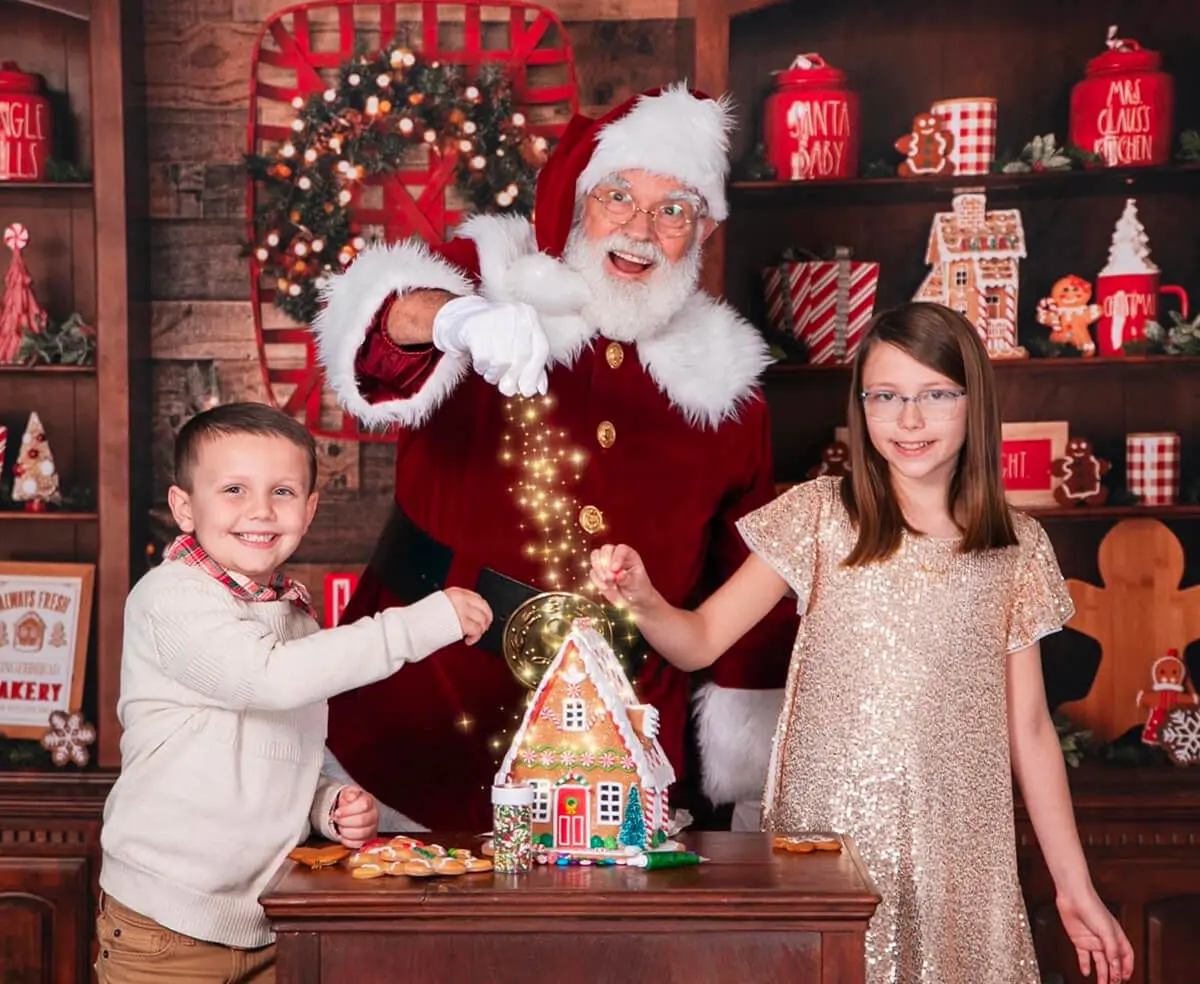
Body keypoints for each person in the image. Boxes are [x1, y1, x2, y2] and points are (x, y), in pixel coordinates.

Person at [588, 303, 1136, 984]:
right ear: (862, 405)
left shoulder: (1016, 547)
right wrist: (644, 601)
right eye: (886, 396)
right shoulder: (820, 515)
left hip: (961, 850)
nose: (910, 420)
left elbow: (1028, 730)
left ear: (975, 402)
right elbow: (698, 642)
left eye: (936, 395)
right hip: (831, 841)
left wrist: (1074, 888)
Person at [313, 82, 796, 832]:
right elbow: (384, 320)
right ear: (579, 201)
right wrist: (458, 320)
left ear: (702, 231)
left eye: (673, 211)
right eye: (618, 196)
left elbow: (748, 585)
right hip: (417, 724)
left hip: (617, 765)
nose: (640, 229)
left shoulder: (729, 389)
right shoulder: (492, 276)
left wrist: (743, 774)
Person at [96, 402, 491, 983]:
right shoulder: (171, 598)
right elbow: (271, 679)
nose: (260, 509)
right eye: (234, 489)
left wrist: (324, 802)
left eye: (282, 492)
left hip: (268, 919)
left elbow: (275, 749)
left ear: (309, 511)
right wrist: (419, 624)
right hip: (165, 923)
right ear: (185, 507)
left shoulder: (293, 619)